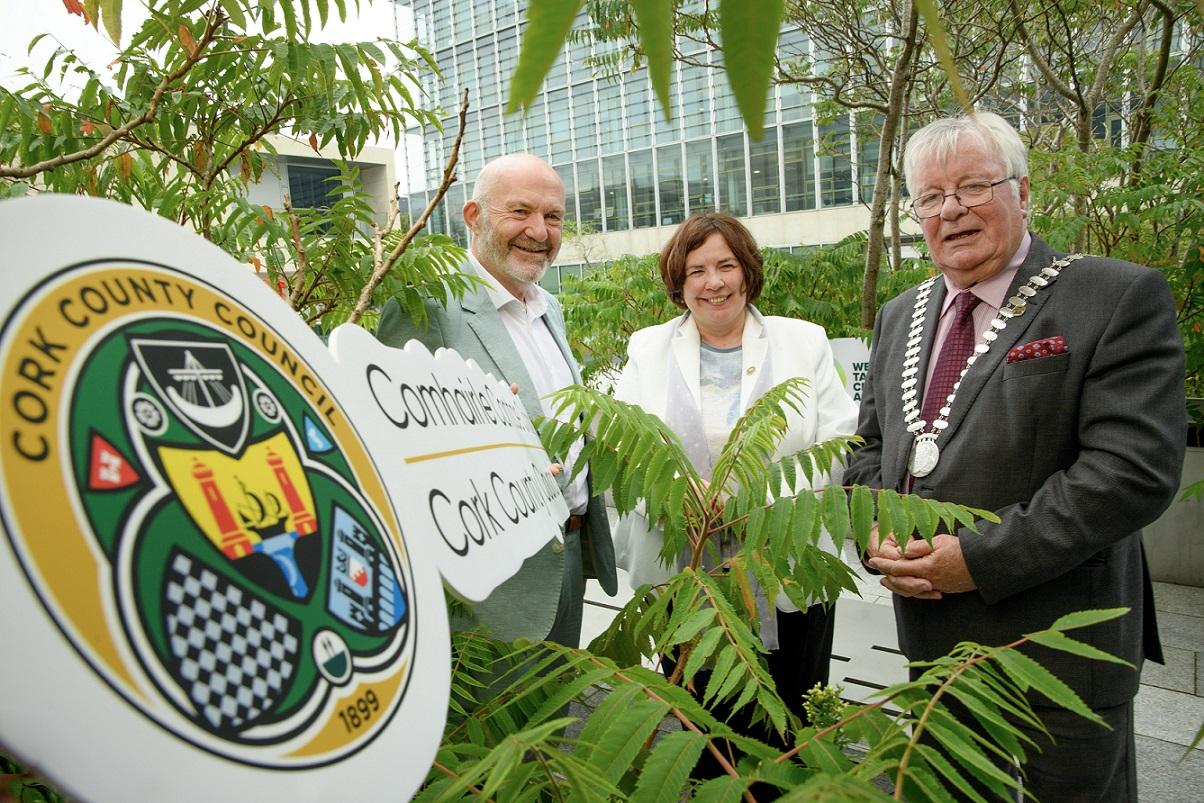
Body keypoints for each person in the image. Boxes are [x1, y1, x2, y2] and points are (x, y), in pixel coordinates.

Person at [844, 111, 1186, 800]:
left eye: (974, 186)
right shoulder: (898, 316)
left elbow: (1130, 472)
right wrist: (877, 530)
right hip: (936, 644)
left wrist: (976, 559)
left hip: (1062, 650)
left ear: (1023, 192)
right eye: (932, 196)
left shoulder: (1113, 296)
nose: (953, 210)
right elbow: (869, 450)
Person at [612, 211, 859, 734]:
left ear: (748, 270)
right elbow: (620, 449)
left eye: (726, 265)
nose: (714, 282)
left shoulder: (804, 341)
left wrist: (764, 504)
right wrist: (672, 493)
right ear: (680, 283)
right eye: (696, 270)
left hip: (789, 567)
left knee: (789, 718)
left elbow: (839, 444)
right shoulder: (647, 348)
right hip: (684, 575)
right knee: (705, 726)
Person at [376, 153, 617, 647]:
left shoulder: (549, 307)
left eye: (553, 217)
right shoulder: (426, 307)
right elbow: (395, 453)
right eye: (520, 212)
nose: (539, 230)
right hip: (491, 584)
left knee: (554, 716)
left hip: (568, 554)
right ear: (473, 217)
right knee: (500, 717)